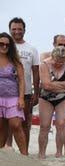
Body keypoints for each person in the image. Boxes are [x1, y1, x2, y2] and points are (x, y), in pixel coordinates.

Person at [7, 18, 40, 151]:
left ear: (24, 30)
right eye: (14, 29)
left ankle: (24, 152)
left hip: (26, 92)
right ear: (10, 30)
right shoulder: (5, 46)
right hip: (6, 92)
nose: (17, 31)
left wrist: (36, 93)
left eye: (19, 29)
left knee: (25, 123)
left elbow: (36, 72)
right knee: (7, 122)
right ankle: (7, 148)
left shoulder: (31, 49)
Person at [38, 46, 65, 159]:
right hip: (46, 97)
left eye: (62, 62)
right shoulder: (44, 64)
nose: (59, 64)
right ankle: (41, 153)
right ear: (52, 57)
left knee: (61, 124)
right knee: (44, 126)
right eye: (57, 61)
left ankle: (59, 152)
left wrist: (53, 85)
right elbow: (45, 85)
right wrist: (64, 85)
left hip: (64, 97)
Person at [0, 32, 27, 155]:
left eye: (7, 44)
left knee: (15, 125)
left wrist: (21, 98)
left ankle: (24, 155)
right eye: (1, 44)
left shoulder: (15, 61)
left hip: (13, 98)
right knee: (1, 127)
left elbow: (22, 81)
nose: (4, 46)